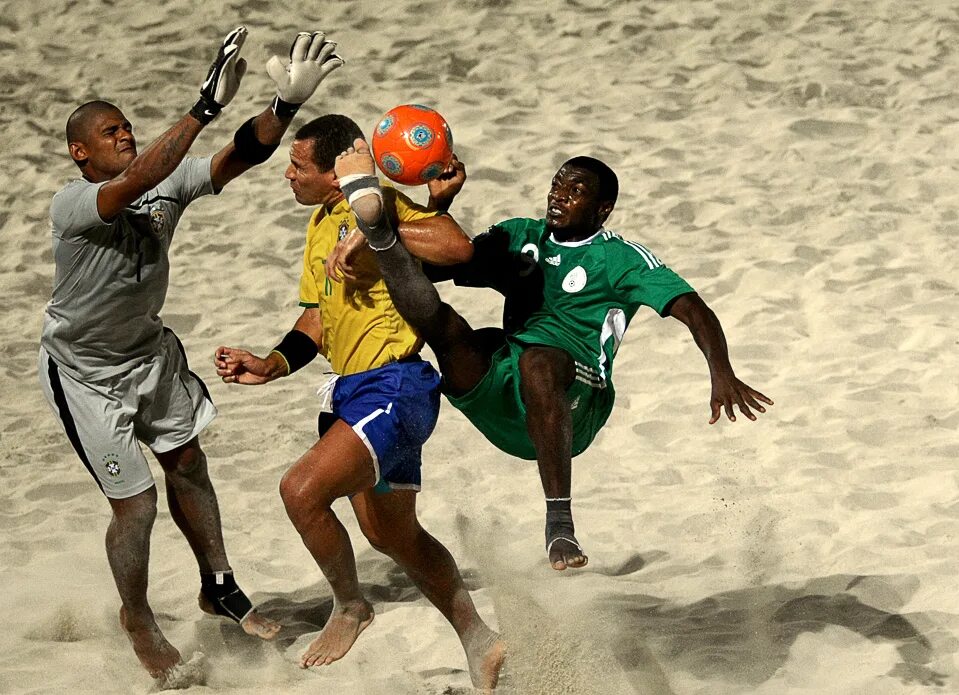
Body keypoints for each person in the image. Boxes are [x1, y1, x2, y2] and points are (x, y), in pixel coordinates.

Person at [36, 27, 343, 683]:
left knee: (189, 462)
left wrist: (283, 106)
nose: (125, 136)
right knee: (137, 504)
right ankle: (138, 618)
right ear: (79, 152)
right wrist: (202, 108)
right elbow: (143, 172)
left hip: (148, 353)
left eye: (127, 128)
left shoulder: (161, 183)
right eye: (110, 132)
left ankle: (219, 583)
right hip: (85, 374)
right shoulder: (75, 203)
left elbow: (240, 156)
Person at [333, 139, 774, 572]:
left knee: (539, 360)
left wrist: (722, 373)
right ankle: (375, 228)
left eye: (575, 191)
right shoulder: (521, 236)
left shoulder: (619, 258)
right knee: (447, 327)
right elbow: (436, 266)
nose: (559, 196)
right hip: (511, 407)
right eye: (557, 185)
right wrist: (437, 205)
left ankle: (559, 522)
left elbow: (693, 308)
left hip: (577, 399)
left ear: (602, 209)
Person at [213, 114, 505, 689]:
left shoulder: (377, 203)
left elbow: (456, 246)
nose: (288, 176)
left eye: (298, 167)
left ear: (334, 172)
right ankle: (480, 640)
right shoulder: (321, 221)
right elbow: (319, 315)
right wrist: (271, 362)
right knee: (393, 536)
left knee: (300, 491)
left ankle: (351, 606)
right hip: (351, 390)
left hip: (396, 386)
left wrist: (377, 229)